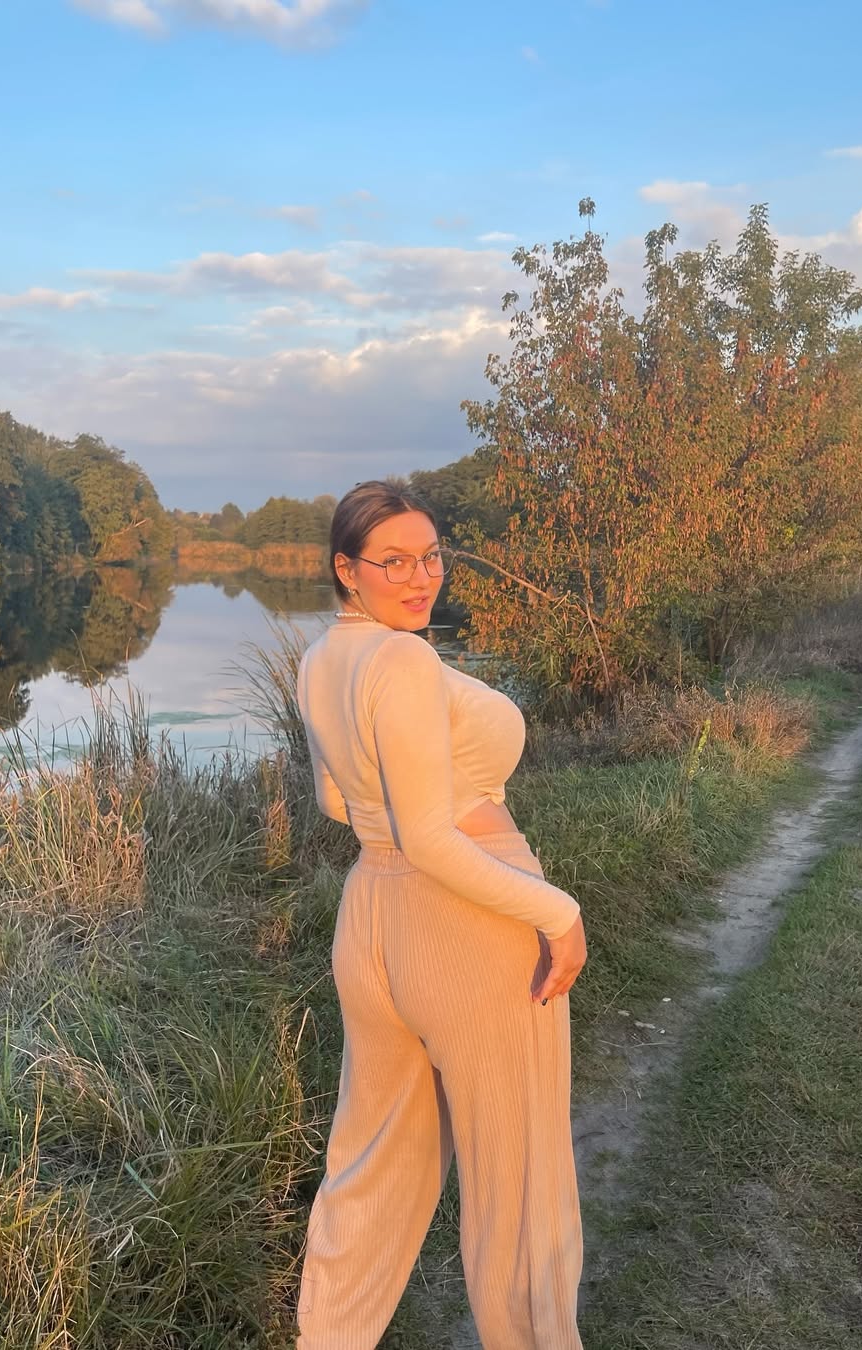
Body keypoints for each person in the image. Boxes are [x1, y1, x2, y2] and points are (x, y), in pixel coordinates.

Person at [294, 480, 587, 1350]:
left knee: (370, 1169)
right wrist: (558, 910)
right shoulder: (404, 661)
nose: (420, 578)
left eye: (430, 557)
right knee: (520, 1187)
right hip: (469, 924)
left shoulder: (321, 660)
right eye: (393, 562)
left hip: (371, 923)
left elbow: (336, 803)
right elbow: (429, 838)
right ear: (347, 569)